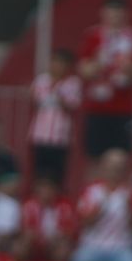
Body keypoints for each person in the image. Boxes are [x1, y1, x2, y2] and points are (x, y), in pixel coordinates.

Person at [77, 0, 132, 158]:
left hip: (123, 108)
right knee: (94, 157)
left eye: (119, 12)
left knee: (121, 157)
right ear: (103, 13)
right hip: (96, 107)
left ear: (126, 14)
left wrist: (127, 66)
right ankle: (93, 185)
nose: (115, 16)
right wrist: (99, 62)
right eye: (111, 12)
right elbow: (83, 70)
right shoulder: (92, 36)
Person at [27, 49, 81, 189]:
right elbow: (35, 100)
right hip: (40, 134)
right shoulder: (41, 80)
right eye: (54, 62)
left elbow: (71, 105)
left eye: (61, 63)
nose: (56, 66)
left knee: (58, 173)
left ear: (67, 66)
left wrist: (57, 91)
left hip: (60, 137)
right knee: (38, 171)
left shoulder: (73, 83)